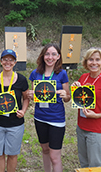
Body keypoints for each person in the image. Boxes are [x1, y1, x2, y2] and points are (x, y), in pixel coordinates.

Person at [27, 43, 70, 172]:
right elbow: (35, 96)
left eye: (53, 54)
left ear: (58, 57)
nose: (50, 57)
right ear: (43, 56)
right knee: (45, 150)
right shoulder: (35, 73)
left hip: (56, 119)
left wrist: (65, 95)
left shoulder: (62, 74)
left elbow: (68, 98)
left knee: (55, 157)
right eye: (47, 54)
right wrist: (30, 94)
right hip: (40, 118)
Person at [0, 49, 29, 172]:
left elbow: (26, 98)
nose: (8, 62)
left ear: (15, 62)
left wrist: (23, 111)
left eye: (11, 60)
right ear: (1, 61)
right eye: (5, 59)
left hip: (15, 123)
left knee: (12, 154)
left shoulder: (22, 80)